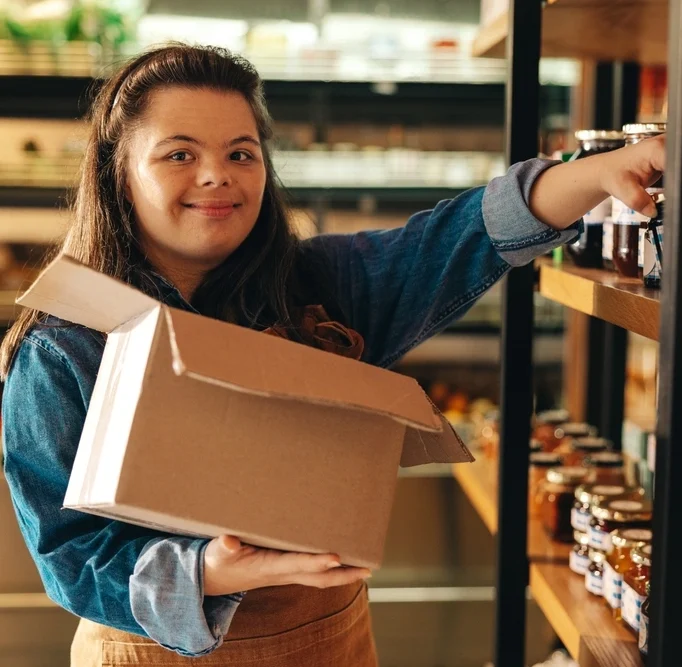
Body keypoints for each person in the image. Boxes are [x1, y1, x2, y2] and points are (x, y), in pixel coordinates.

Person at [0, 44, 665, 667]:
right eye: (179, 154)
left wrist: (595, 175)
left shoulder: (318, 285)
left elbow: (456, 237)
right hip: (151, 652)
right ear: (118, 170)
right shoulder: (64, 346)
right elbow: (69, 553)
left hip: (330, 641)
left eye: (242, 152)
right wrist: (210, 569)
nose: (217, 176)